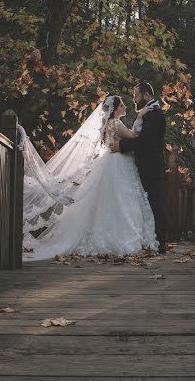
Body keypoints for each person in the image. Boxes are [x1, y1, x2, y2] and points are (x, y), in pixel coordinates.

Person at [20, 95, 158, 261]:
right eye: (121, 105)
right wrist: (139, 117)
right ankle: (120, 237)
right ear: (115, 109)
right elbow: (134, 136)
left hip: (111, 162)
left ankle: (107, 234)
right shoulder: (116, 123)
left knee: (110, 200)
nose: (125, 107)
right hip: (117, 164)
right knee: (120, 199)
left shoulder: (109, 124)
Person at [108, 82, 167, 254]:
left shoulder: (154, 114)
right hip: (143, 166)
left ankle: (158, 242)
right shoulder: (146, 113)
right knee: (145, 203)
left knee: (153, 203)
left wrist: (122, 146)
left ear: (146, 95)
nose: (134, 99)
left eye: (136, 95)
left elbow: (147, 141)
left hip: (151, 167)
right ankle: (150, 240)